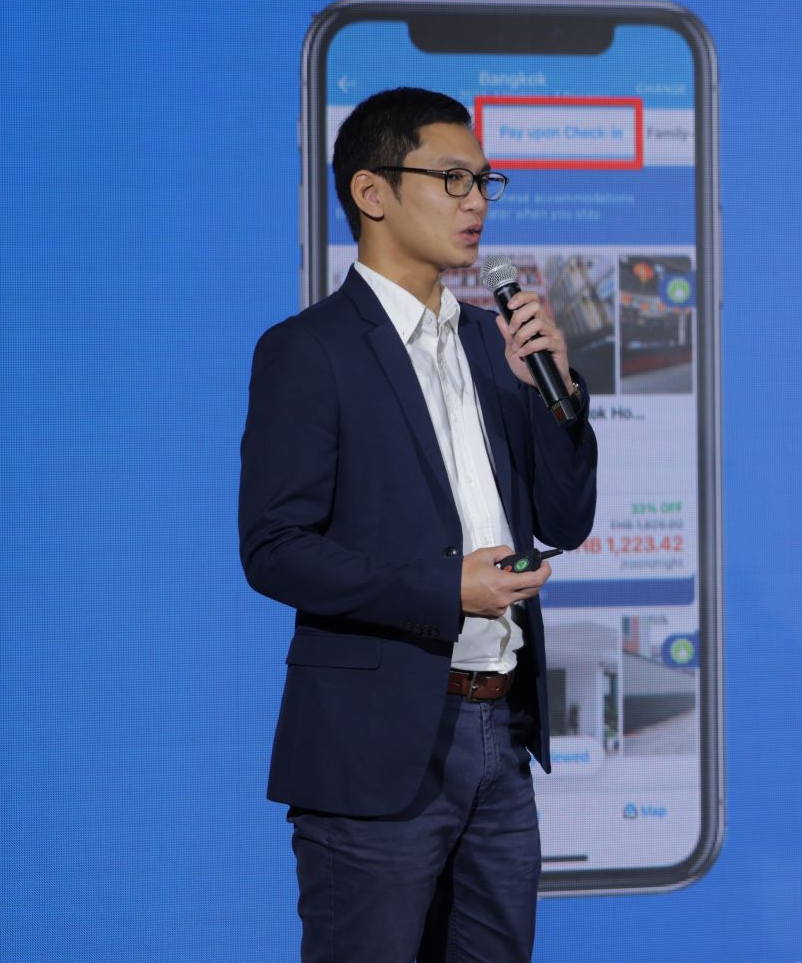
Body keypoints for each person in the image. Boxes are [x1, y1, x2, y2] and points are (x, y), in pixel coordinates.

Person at [239, 86, 598, 961]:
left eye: (485, 181)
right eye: (452, 178)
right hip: (375, 747)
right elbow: (275, 550)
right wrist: (447, 589)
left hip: (500, 735)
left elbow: (567, 519)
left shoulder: (494, 344)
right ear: (373, 192)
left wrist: (557, 399)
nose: (477, 202)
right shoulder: (309, 351)